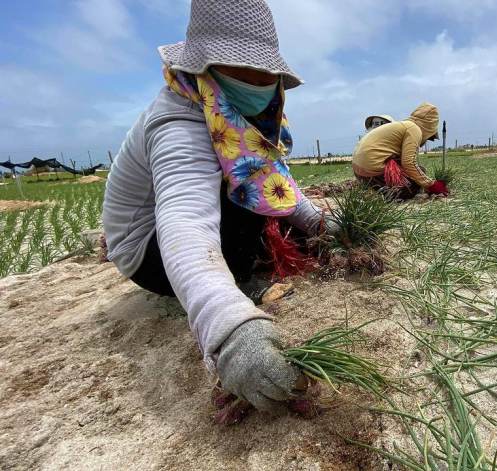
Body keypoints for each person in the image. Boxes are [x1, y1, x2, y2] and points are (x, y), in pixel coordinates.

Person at [103, 0, 334, 413]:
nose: (260, 82)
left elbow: (276, 185)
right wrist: (229, 329)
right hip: (150, 254)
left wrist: (318, 223)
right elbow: (186, 222)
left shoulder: (235, 113)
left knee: (270, 204)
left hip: (187, 230)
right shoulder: (178, 119)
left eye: (266, 73)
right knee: (244, 197)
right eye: (243, 69)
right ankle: (237, 284)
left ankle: (245, 264)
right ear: (205, 68)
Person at [352, 103, 449, 200]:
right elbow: (409, 163)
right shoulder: (414, 129)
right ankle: (383, 194)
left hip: (360, 172)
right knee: (412, 186)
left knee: (418, 172)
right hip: (372, 170)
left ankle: (374, 189)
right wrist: (431, 185)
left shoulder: (403, 125)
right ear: (429, 128)